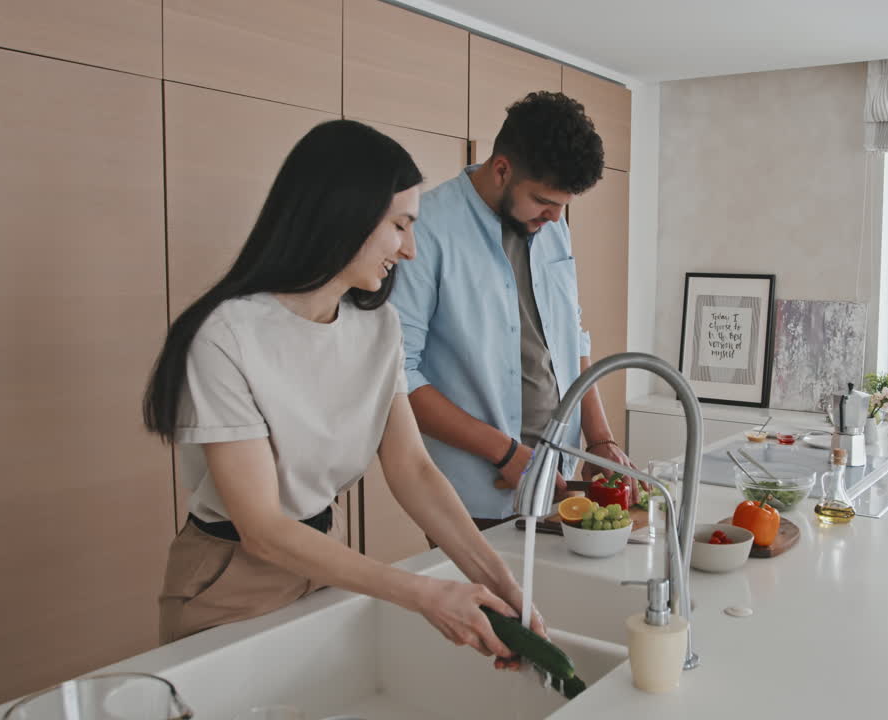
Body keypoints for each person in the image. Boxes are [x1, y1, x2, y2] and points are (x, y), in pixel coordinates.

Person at [142, 120, 541, 667]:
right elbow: (261, 527)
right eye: (400, 225)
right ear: (344, 212)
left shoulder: (378, 328)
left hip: (325, 562)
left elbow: (413, 471)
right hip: (228, 580)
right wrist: (425, 595)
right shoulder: (226, 336)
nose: (410, 250)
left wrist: (504, 587)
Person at [392, 91, 635, 528]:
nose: (556, 218)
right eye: (545, 202)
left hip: (556, 479)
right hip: (473, 495)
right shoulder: (426, 230)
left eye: (564, 206)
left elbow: (570, 338)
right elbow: (397, 376)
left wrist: (599, 440)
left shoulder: (550, 225)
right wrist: (505, 453)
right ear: (502, 170)